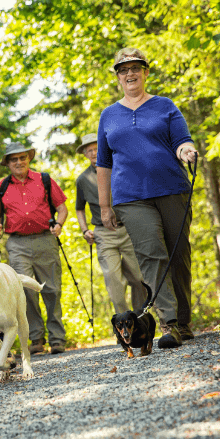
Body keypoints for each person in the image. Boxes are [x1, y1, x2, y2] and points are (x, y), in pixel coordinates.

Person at [96, 48, 198, 349]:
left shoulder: (164, 106)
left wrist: (187, 151)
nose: (130, 74)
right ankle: (169, 323)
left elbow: (182, 141)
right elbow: (104, 163)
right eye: (123, 69)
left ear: (145, 72)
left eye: (136, 68)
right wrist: (105, 205)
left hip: (172, 189)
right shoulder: (109, 115)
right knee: (152, 255)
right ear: (117, 76)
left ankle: (184, 321)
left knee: (178, 256)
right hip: (130, 197)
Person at [0, 142, 69, 355]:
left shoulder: (44, 180)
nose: (18, 162)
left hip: (45, 239)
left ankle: (57, 338)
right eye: (13, 159)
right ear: (7, 163)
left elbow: (62, 208)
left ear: (29, 159)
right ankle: (36, 338)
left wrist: (59, 224)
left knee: (52, 289)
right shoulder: (1, 187)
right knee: (26, 290)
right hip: (17, 243)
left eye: (22, 158)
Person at [75, 133, 147, 315]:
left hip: (128, 228)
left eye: (96, 148)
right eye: (89, 150)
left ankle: (140, 317)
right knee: (114, 280)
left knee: (139, 278)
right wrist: (85, 230)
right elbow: (79, 208)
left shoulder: (121, 168)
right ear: (84, 153)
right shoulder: (82, 180)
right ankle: (124, 321)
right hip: (103, 233)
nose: (93, 153)